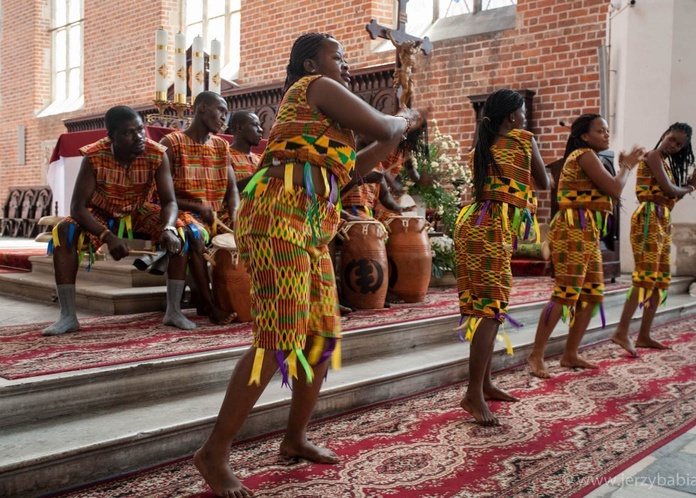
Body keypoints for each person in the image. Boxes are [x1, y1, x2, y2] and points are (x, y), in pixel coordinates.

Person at [193, 32, 425, 497]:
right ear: (308, 63)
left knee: (321, 337)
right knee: (277, 339)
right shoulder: (314, 88)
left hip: (313, 226)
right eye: (338, 57)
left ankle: (294, 437)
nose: (347, 66)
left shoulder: (325, 124)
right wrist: (405, 117)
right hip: (278, 214)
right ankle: (212, 452)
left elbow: (356, 167)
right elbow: (383, 128)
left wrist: (398, 129)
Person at [453, 89, 549, 426]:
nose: (525, 118)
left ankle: (486, 385)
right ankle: (473, 394)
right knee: (491, 311)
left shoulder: (481, 147)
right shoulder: (523, 139)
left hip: (474, 225)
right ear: (513, 117)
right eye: (522, 112)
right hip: (490, 229)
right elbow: (544, 182)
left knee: (485, 309)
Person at [43, 106, 183, 336]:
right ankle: (67, 315)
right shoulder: (95, 156)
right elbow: (78, 207)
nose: (138, 137)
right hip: (102, 211)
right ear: (111, 137)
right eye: (129, 133)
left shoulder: (156, 153)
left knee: (182, 232)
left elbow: (170, 202)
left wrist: (167, 227)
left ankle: (174, 311)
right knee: (65, 231)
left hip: (139, 209)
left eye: (140, 130)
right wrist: (106, 236)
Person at [526, 114, 645, 378]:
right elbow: (615, 189)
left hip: (585, 229)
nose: (606, 134)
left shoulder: (589, 156)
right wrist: (626, 166)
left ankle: (570, 354)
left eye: (607, 130)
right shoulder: (584, 155)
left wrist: (623, 166)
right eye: (600, 130)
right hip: (572, 228)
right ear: (584, 136)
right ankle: (536, 354)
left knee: (592, 295)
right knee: (565, 293)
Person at [611, 122, 696, 356]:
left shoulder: (666, 163)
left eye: (679, 144)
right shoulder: (654, 155)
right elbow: (670, 189)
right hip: (647, 219)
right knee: (645, 278)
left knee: (660, 280)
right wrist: (692, 186)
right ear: (664, 134)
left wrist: (692, 184)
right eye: (671, 139)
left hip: (662, 218)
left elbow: (671, 196)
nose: (673, 145)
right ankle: (621, 332)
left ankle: (644, 334)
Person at [159, 91, 239, 328]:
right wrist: (196, 207)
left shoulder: (221, 146)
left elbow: (232, 189)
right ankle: (209, 304)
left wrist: (235, 216)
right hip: (184, 213)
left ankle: (247, 297)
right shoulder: (171, 143)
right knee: (193, 234)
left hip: (216, 215)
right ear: (202, 108)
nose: (224, 118)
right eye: (220, 110)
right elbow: (163, 195)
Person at [226, 110, 263, 188]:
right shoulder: (225, 156)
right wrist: (261, 174)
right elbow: (226, 190)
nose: (260, 129)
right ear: (239, 127)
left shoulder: (261, 159)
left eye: (259, 125)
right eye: (255, 125)